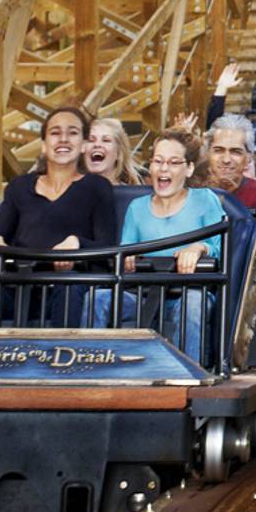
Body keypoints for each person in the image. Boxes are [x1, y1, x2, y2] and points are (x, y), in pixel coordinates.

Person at [0, 106, 116, 327]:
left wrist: (77, 244)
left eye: (72, 133)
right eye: (55, 133)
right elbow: (0, 234)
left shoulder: (97, 187)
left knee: (68, 284)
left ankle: (60, 348)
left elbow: (107, 245)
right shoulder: (19, 187)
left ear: (83, 145)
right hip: (19, 286)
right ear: (43, 145)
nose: (63, 139)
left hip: (65, 288)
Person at [95, 128, 227, 362]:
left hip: (186, 293)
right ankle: (94, 367)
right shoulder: (136, 207)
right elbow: (126, 251)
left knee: (193, 303)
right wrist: (127, 259)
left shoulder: (205, 199)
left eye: (173, 162)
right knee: (98, 298)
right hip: (143, 294)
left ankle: (188, 373)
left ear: (189, 168)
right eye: (158, 161)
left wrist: (198, 248)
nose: (164, 168)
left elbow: (219, 246)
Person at [206, 112, 256, 209]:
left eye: (235, 152)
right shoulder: (194, 191)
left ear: (249, 157)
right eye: (218, 150)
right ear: (207, 153)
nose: (226, 160)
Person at [84, 118, 145, 185]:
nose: (97, 144)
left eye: (106, 140)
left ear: (118, 153)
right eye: (91, 140)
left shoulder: (135, 191)